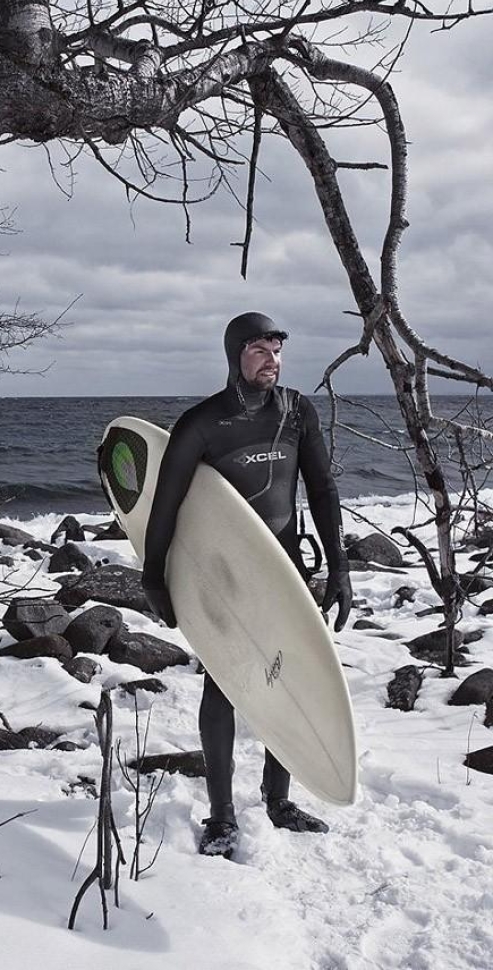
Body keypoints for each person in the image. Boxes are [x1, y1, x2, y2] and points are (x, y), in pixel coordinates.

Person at [141, 311, 352, 859]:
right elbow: (165, 505)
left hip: (283, 569)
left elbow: (323, 489)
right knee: (226, 685)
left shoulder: (296, 410)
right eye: (259, 350)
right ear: (236, 354)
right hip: (226, 579)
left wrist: (340, 567)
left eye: (277, 350)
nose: (271, 360)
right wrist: (154, 575)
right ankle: (222, 815)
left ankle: (278, 799)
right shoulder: (204, 423)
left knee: (291, 677)